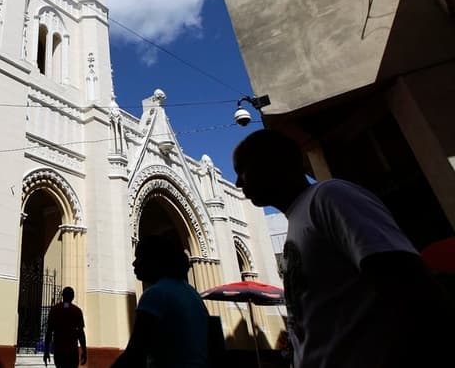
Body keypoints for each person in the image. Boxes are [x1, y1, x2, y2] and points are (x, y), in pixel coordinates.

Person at [233, 129, 455, 368]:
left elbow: (409, 282)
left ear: (273, 163)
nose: (238, 182)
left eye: (242, 169)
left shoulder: (330, 197)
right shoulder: (298, 219)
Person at [112, 233, 209, 368]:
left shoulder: (156, 294)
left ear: (155, 261)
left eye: (139, 257)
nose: (134, 263)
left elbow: (136, 352)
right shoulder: (193, 295)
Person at [43, 286, 87, 368]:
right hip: (72, 351)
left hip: (59, 350)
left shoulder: (54, 310)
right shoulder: (77, 311)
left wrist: (46, 351)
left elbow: (49, 332)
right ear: (73, 297)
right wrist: (84, 350)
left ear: (62, 296)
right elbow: (81, 334)